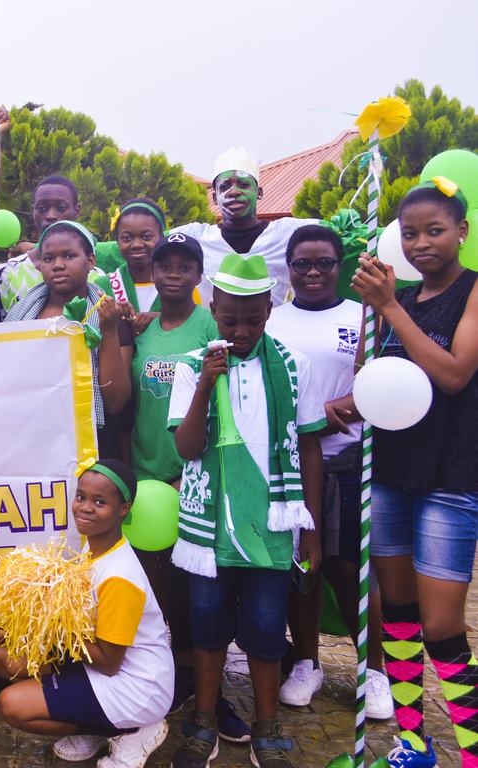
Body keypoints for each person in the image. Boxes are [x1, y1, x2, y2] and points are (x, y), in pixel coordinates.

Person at [167, 252, 325, 768]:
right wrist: (206, 383)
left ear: (269, 312)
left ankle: (266, 724)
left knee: (265, 628)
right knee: (208, 626)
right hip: (209, 526)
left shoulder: (294, 366)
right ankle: (204, 719)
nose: (240, 332)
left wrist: (311, 528)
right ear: (212, 310)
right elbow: (187, 448)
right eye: (230, 320)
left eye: (253, 320)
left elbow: (308, 448)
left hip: (272, 524)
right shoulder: (192, 365)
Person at [352, 178, 478, 768]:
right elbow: (378, 379)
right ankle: (414, 744)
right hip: (390, 473)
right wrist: (374, 314)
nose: (421, 243)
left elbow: (452, 375)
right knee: (398, 618)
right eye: (410, 233)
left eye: (435, 230)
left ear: (462, 232)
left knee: (443, 626)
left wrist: (390, 308)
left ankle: (472, 752)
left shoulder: (472, 292)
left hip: (450, 479)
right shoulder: (395, 297)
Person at [265, 225, 391, 720]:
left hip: (346, 457)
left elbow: (381, 381)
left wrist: (331, 410)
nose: (313, 272)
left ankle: (374, 669)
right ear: (289, 268)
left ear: (340, 266)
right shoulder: (272, 319)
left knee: (348, 567)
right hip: (286, 462)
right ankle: (307, 663)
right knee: (302, 567)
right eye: (302, 264)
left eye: (324, 263)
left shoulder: (362, 315)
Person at [0, 459, 172, 766]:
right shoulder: (96, 547)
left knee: (12, 704)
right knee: (3, 657)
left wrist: (52, 626)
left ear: (123, 509)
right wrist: (26, 624)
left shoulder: (119, 578)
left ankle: (128, 729)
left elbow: (110, 663)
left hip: (135, 687)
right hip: (100, 662)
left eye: (99, 502)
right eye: (81, 497)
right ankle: (98, 721)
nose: (85, 508)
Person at [117, 233, 224, 724]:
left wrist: (194, 474)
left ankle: (204, 685)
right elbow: (130, 405)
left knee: (195, 586)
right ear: (153, 274)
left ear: (199, 274)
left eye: (185, 265)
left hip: (193, 476)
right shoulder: (142, 330)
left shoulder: (211, 326)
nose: (174, 273)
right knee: (154, 582)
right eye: (165, 265)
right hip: (146, 475)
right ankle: (164, 675)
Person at [6, 220, 131, 452]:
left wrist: (109, 331)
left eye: (69, 256)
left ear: (90, 261)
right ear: (39, 265)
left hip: (90, 442)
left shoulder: (109, 316)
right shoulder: (19, 317)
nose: (58, 265)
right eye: (48, 258)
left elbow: (116, 402)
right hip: (31, 439)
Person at [169, 148, 319, 307]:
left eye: (244, 184)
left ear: (259, 192)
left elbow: (335, 229)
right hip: (212, 324)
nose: (234, 191)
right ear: (214, 197)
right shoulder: (195, 236)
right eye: (225, 186)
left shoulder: (286, 232)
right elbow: (153, 237)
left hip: (274, 323)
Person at [0, 175, 83, 323]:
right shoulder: (2, 276)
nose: (51, 215)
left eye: (61, 208)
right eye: (42, 208)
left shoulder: (96, 277)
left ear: (77, 210)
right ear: (33, 210)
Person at [96, 198, 169, 324]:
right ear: (117, 240)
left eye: (146, 237)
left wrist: (159, 319)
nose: (136, 245)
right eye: (127, 238)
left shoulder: (178, 282)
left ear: (161, 238)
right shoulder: (103, 287)